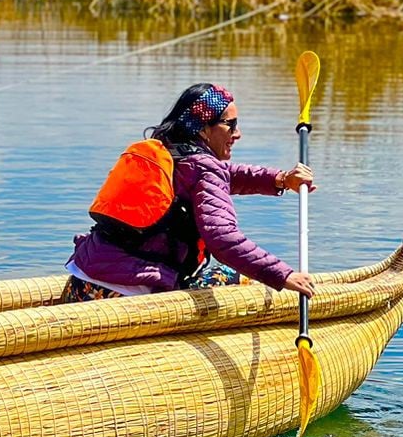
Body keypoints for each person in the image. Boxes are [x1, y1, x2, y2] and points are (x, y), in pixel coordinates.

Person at [63, 82, 316, 302]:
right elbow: (223, 238)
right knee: (237, 280)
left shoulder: (166, 151)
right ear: (203, 129)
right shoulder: (202, 169)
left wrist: (281, 180)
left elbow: (225, 174)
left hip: (83, 280)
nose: (238, 133)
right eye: (231, 125)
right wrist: (283, 275)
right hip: (129, 293)